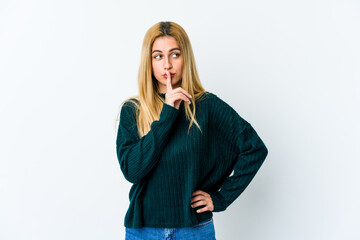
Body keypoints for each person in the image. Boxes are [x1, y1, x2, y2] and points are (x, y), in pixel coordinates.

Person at [115, 21, 268, 240]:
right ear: (148, 62)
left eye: (174, 54)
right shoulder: (133, 110)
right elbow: (132, 171)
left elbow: (255, 148)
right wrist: (168, 113)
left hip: (194, 230)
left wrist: (221, 198)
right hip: (144, 231)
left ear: (185, 57)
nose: (167, 64)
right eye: (158, 56)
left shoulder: (206, 105)